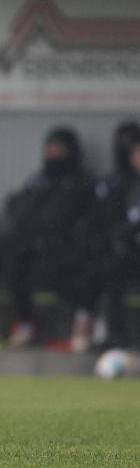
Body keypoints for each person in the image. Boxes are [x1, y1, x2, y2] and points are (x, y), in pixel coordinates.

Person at [4, 127, 97, 350]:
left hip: (68, 249)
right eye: (50, 148)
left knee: (78, 277)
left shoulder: (81, 181)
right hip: (34, 248)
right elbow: (17, 206)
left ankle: (84, 323)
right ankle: (26, 324)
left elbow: (67, 216)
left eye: (59, 149)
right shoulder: (39, 180)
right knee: (13, 266)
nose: (54, 154)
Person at [98, 128, 140, 348]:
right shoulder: (131, 186)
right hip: (133, 252)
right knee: (111, 271)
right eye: (135, 155)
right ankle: (113, 336)